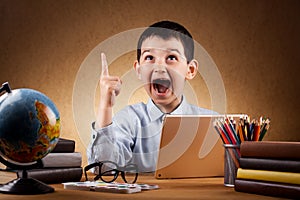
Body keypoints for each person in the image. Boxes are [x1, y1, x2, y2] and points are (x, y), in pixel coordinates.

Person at [87, 20, 216, 173]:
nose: (159, 67)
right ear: (139, 69)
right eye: (149, 58)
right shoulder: (129, 120)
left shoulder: (214, 124)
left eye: (171, 57)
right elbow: (103, 168)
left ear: (190, 69)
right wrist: (105, 106)